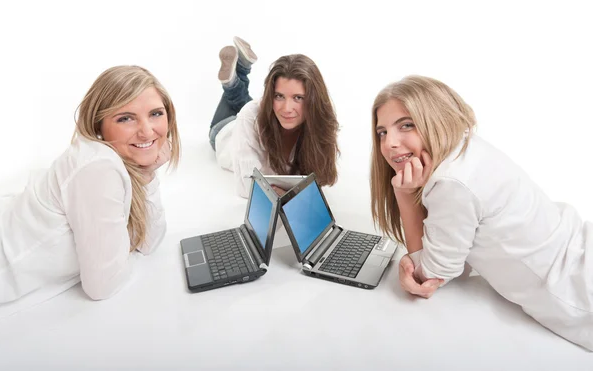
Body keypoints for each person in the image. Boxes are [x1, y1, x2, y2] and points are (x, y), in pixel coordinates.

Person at [369, 75, 593, 350]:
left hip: (579, 293)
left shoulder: (451, 183)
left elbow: (433, 275)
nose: (390, 142)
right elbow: (458, 258)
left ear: (435, 120)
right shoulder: (464, 148)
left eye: (406, 125)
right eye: (382, 132)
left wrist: (404, 195)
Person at [0, 65, 180, 319]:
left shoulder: (115, 161)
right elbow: (103, 285)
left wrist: (148, 176)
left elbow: (148, 242)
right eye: (126, 118)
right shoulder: (99, 168)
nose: (147, 131)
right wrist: (122, 249)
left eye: (156, 114)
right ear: (98, 125)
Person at [209, 36, 339, 198]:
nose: (287, 108)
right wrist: (287, 195)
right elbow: (247, 185)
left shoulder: (320, 121)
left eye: (298, 98)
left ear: (313, 100)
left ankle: (241, 69)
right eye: (279, 96)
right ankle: (234, 78)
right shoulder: (249, 116)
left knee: (250, 106)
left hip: (261, 115)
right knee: (246, 110)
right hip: (224, 130)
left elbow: (319, 180)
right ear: (270, 95)